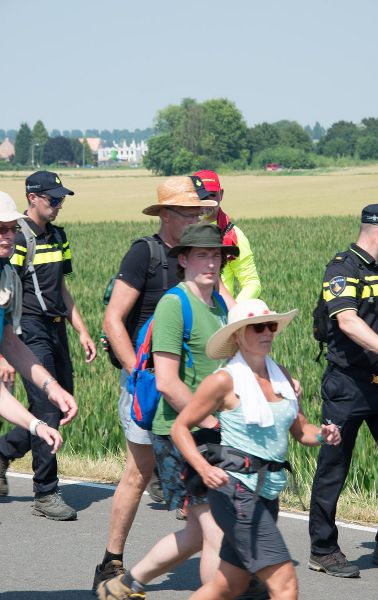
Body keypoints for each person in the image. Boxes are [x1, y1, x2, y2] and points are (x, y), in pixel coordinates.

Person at [97, 223, 239, 600]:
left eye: (217, 256)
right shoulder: (175, 305)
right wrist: (209, 421)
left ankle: (126, 583)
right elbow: (166, 382)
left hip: (213, 429)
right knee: (216, 528)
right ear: (184, 260)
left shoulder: (219, 305)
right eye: (202, 255)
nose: (211, 263)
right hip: (182, 431)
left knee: (196, 532)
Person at [171, 299, 341, 600]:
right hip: (235, 492)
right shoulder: (224, 381)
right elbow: (180, 428)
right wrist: (203, 468)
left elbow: (301, 430)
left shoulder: (281, 377)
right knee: (285, 586)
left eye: (271, 326)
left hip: (267, 493)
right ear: (237, 335)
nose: (267, 332)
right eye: (258, 327)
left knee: (228, 586)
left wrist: (323, 435)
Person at [309, 203, 378, 577]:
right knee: (334, 467)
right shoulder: (342, 269)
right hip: (348, 386)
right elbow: (347, 321)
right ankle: (323, 549)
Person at [0, 172, 96, 521]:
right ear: (33, 198)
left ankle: (3, 451)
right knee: (47, 407)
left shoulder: (57, 236)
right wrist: (3, 356)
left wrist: (81, 329)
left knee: (56, 404)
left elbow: (61, 290)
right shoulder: (18, 243)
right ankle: (45, 491)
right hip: (30, 327)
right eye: (53, 199)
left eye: (61, 200)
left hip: (53, 328)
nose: (58, 205)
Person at [0, 191, 76, 492]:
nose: (9, 236)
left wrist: (52, 387)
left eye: (12, 228)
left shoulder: (6, 275)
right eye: (1, 229)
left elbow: (10, 342)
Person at [194, 170, 261, 300]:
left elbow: (251, 283)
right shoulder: (181, 229)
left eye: (212, 195)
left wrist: (233, 309)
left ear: (221, 194)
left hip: (220, 309)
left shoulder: (233, 236)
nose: (207, 201)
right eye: (202, 196)